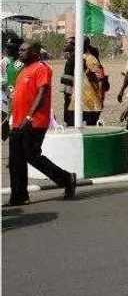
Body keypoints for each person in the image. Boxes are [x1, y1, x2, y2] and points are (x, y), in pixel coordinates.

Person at [5, 42, 78, 206]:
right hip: (17, 122)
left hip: (34, 122)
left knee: (32, 156)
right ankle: (19, 197)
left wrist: (30, 116)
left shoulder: (41, 68)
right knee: (16, 160)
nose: (20, 53)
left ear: (35, 52)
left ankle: (67, 179)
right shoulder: (23, 70)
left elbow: (42, 92)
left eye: (24, 50)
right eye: (20, 50)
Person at [2, 35, 23, 141]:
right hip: (11, 98)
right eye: (7, 47)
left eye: (11, 48)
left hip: (22, 100)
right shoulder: (10, 63)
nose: (7, 49)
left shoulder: (20, 63)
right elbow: (10, 81)